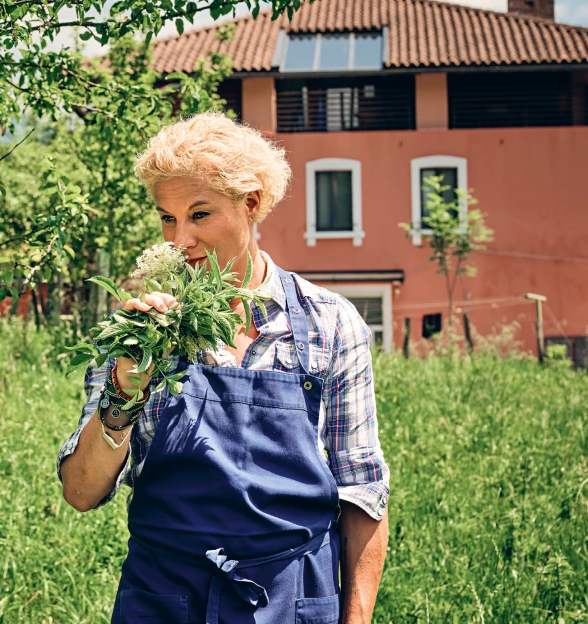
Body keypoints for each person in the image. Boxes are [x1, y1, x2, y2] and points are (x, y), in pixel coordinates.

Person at [56, 112, 389, 624]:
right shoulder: (143, 330)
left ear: (252, 203)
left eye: (200, 214)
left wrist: (357, 618)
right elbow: (80, 492)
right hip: (164, 598)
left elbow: (362, 489)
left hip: (291, 600)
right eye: (167, 218)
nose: (180, 238)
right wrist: (123, 393)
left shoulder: (330, 323)